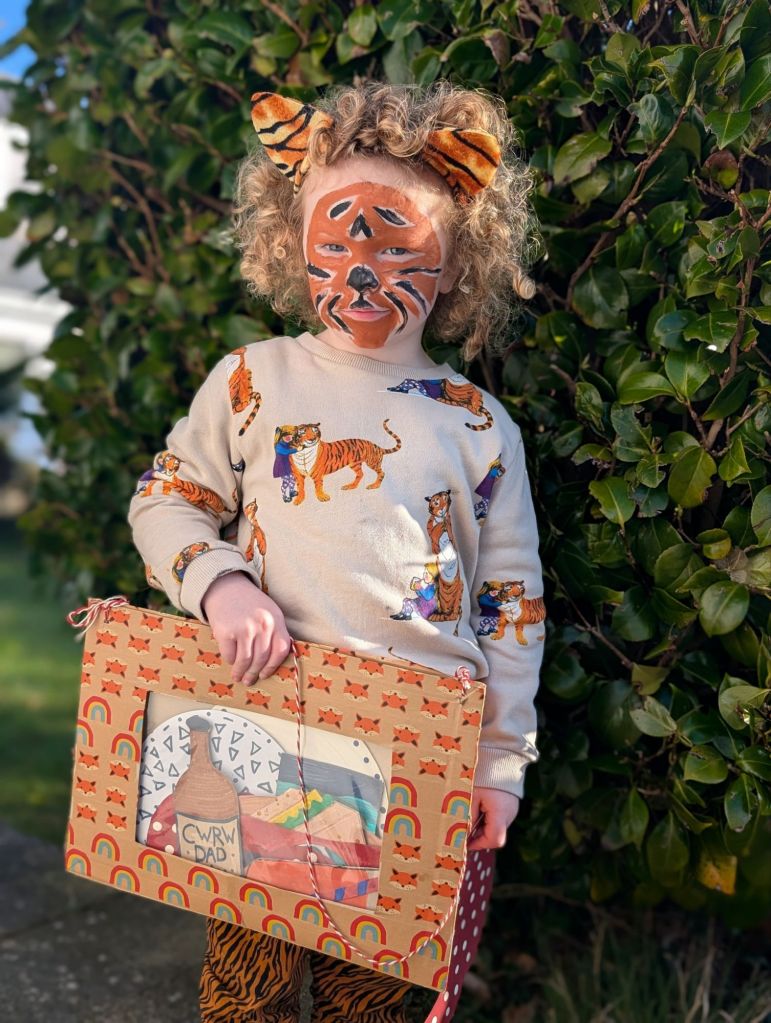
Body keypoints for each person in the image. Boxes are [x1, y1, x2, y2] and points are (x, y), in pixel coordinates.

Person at [128, 79, 546, 1023]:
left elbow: (510, 604)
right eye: (338, 238)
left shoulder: (476, 425)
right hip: (261, 738)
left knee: (378, 999)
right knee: (248, 989)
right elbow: (167, 502)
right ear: (294, 242)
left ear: (455, 263)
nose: (364, 266)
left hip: (416, 761)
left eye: (399, 244)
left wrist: (498, 764)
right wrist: (221, 585)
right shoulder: (252, 380)